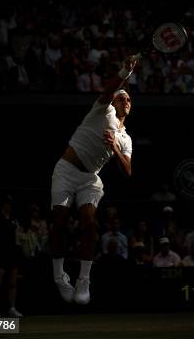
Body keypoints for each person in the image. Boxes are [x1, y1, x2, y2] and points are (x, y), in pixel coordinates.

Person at [50, 56, 137, 305]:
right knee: (60, 222)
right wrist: (124, 72)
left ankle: (83, 280)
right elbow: (110, 89)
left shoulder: (126, 139)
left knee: (89, 225)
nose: (125, 100)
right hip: (66, 170)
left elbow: (127, 171)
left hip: (90, 179)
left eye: (128, 99)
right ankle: (59, 276)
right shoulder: (104, 109)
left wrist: (115, 148)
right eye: (122, 97)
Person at [0, 195, 23, 317]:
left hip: (12, 254)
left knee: (12, 283)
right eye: (7, 203)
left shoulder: (14, 220)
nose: (9, 206)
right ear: (3, 204)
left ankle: (12, 308)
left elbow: (18, 235)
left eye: (10, 204)